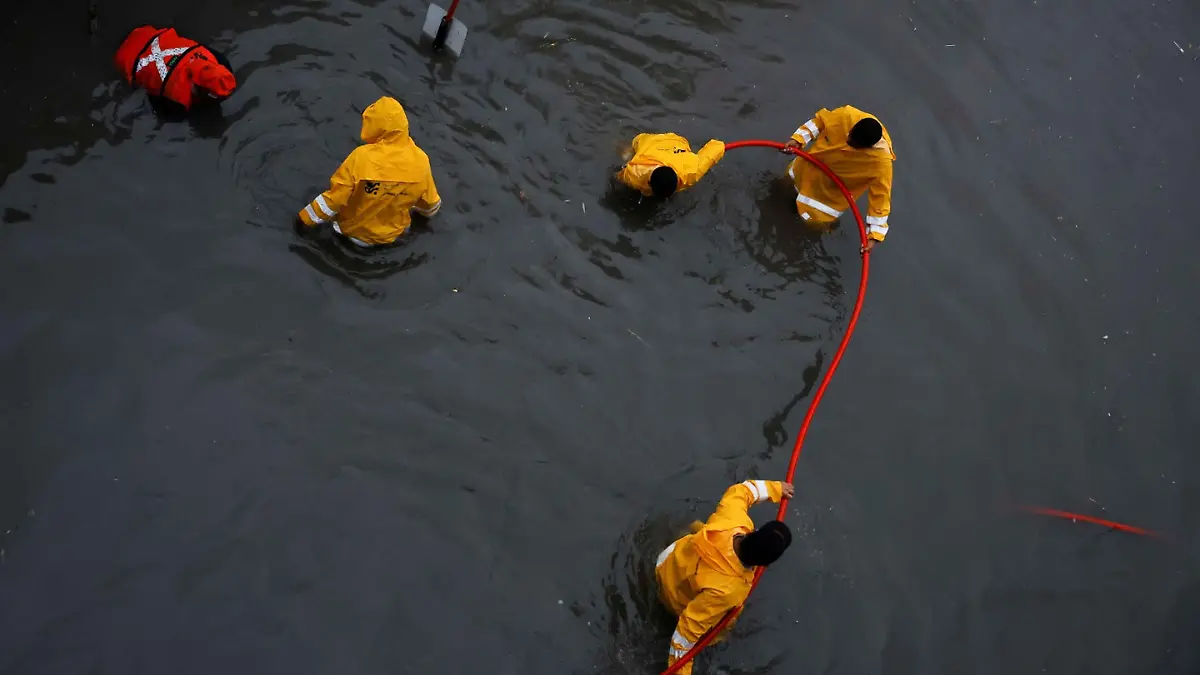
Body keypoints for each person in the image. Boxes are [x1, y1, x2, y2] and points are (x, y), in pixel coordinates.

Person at [655, 479, 795, 675]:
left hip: (667, 560)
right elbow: (686, 631)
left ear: (752, 532)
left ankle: (689, 530)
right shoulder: (727, 591)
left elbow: (742, 490)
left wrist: (776, 488)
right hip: (672, 598)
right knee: (722, 632)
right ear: (764, 565)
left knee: (704, 530)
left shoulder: (734, 520)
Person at [296, 96, 442, 247]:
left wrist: (304, 220)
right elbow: (430, 205)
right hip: (395, 235)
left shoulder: (362, 157)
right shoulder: (421, 160)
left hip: (355, 235)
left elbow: (334, 200)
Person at [783, 105, 896, 253]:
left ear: (868, 147)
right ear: (853, 126)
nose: (848, 141)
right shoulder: (846, 115)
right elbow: (819, 122)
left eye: (854, 145)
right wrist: (798, 139)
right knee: (780, 192)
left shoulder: (881, 164)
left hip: (822, 204)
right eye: (850, 136)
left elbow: (881, 198)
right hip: (802, 173)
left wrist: (874, 235)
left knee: (800, 233)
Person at [114, 26, 237, 113]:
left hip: (146, 32)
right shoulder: (178, 100)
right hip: (125, 59)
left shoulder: (213, 56)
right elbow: (155, 103)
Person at [616, 133, 725, 198]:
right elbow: (618, 178)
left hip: (676, 141)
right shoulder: (635, 173)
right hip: (651, 142)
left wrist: (721, 146)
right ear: (648, 182)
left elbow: (716, 149)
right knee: (627, 154)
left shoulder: (691, 171)